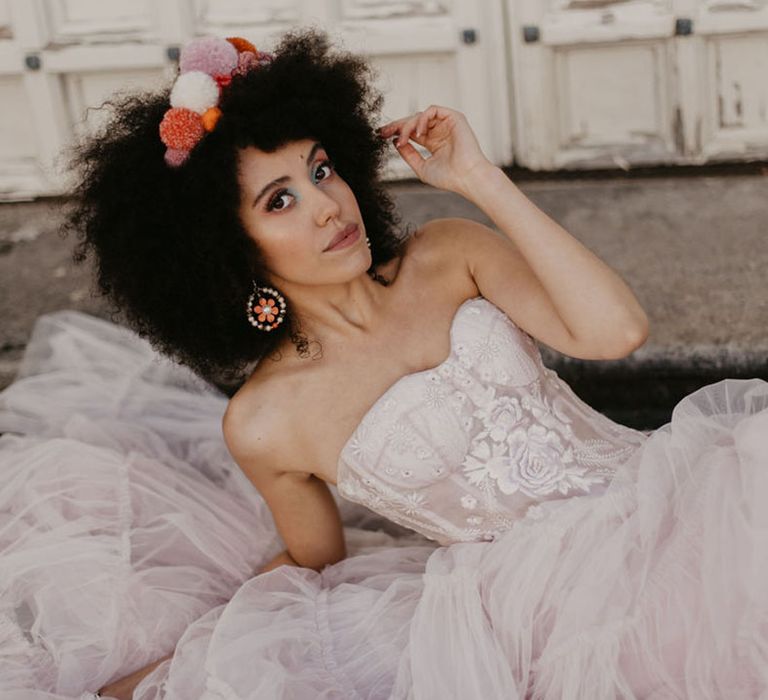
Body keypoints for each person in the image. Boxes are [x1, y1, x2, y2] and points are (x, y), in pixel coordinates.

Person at [0, 25, 765, 700]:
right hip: (548, 614)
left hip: (682, 502)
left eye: (321, 169)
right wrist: (182, 663)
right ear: (227, 254)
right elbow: (312, 560)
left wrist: (477, 179)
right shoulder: (266, 422)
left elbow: (617, 331)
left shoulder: (447, 255)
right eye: (279, 200)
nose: (328, 205)